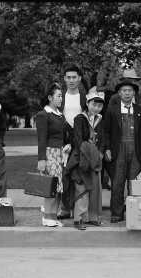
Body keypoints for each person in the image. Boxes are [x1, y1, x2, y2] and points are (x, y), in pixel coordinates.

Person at [104, 80, 141, 223]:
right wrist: (107, 148)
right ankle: (116, 214)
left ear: (134, 93)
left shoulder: (140, 110)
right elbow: (106, 131)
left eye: (130, 90)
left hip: (136, 150)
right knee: (117, 184)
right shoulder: (112, 109)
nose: (127, 93)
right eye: (124, 90)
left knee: (134, 184)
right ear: (119, 93)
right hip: (118, 150)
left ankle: (134, 213)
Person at [65, 87, 105, 230]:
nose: (96, 108)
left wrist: (100, 152)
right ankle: (79, 219)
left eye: (100, 106)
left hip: (95, 159)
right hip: (82, 158)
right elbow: (78, 140)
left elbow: (103, 139)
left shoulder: (100, 119)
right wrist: (89, 154)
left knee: (95, 189)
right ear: (87, 103)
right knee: (82, 188)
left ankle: (93, 217)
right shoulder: (80, 119)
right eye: (94, 104)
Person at [36, 83, 72, 227]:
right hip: (50, 154)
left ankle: (52, 217)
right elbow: (41, 138)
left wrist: (68, 144)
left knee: (58, 188)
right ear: (50, 97)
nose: (61, 98)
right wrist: (41, 159)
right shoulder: (43, 115)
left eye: (61, 96)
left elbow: (67, 134)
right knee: (50, 187)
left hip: (60, 154)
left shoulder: (60, 115)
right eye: (58, 96)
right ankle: (47, 217)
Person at [57, 65, 88, 220]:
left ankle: (79, 209)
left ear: (79, 79)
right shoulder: (60, 96)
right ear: (64, 79)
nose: (71, 80)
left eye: (74, 77)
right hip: (63, 141)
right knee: (64, 175)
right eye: (68, 77)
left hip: (80, 141)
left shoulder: (85, 97)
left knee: (79, 176)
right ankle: (64, 209)